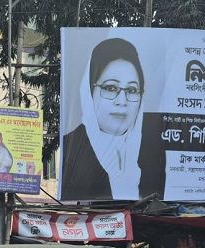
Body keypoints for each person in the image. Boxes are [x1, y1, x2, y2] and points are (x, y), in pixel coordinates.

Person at [60, 38, 145, 201]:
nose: (122, 101)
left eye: (132, 90)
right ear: (89, 92)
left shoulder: (151, 154)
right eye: (111, 88)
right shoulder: (70, 148)